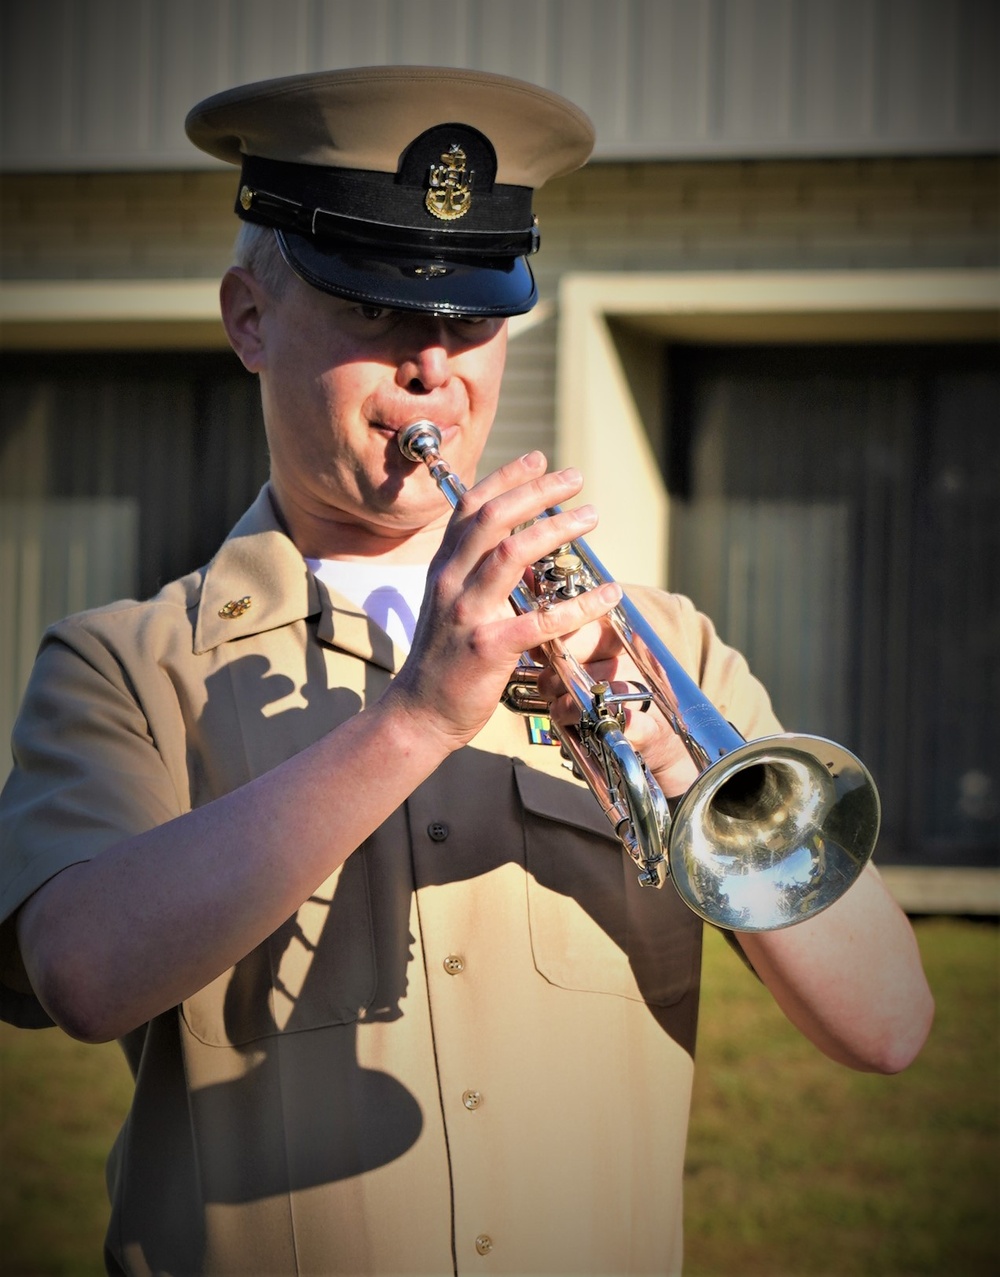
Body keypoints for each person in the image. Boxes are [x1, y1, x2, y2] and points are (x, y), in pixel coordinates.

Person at [0, 66, 933, 1276]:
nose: (433, 366)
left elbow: (890, 1025)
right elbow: (79, 973)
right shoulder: (124, 664)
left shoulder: (660, 645)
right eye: (374, 311)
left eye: (471, 322)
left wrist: (662, 742)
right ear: (249, 318)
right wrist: (419, 714)